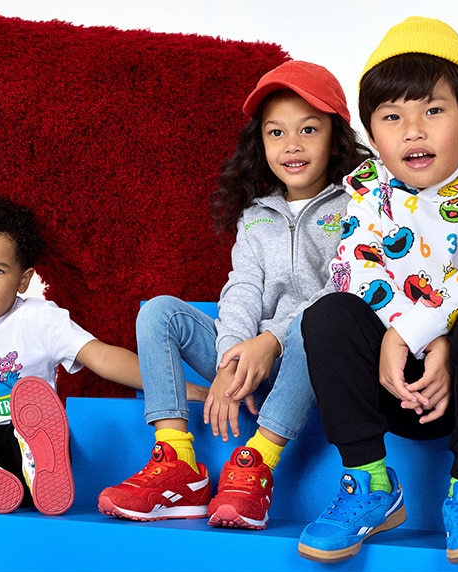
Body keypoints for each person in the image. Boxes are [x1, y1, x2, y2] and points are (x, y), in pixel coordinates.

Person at [296, 17, 458, 565]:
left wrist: (425, 333)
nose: (413, 132)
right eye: (392, 117)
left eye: (433, 111)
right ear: (371, 134)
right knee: (329, 313)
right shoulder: (370, 188)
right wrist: (406, 338)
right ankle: (368, 482)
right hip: (401, 384)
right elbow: (358, 269)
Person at [97, 60, 372, 530]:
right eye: (276, 132)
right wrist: (231, 359)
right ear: (260, 142)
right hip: (252, 364)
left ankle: (257, 463)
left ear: (336, 138)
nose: (292, 145)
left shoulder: (360, 204)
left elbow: (344, 287)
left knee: (318, 322)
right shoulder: (257, 215)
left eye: (308, 129)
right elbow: (242, 289)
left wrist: (271, 342)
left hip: (319, 363)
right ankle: (178, 462)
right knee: (159, 312)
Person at [0, 193, 149, 516]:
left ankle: (39, 466)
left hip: (21, 439)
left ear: (23, 280)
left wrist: (172, 386)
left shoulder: (38, 318)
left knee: (29, 434)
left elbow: (101, 357)